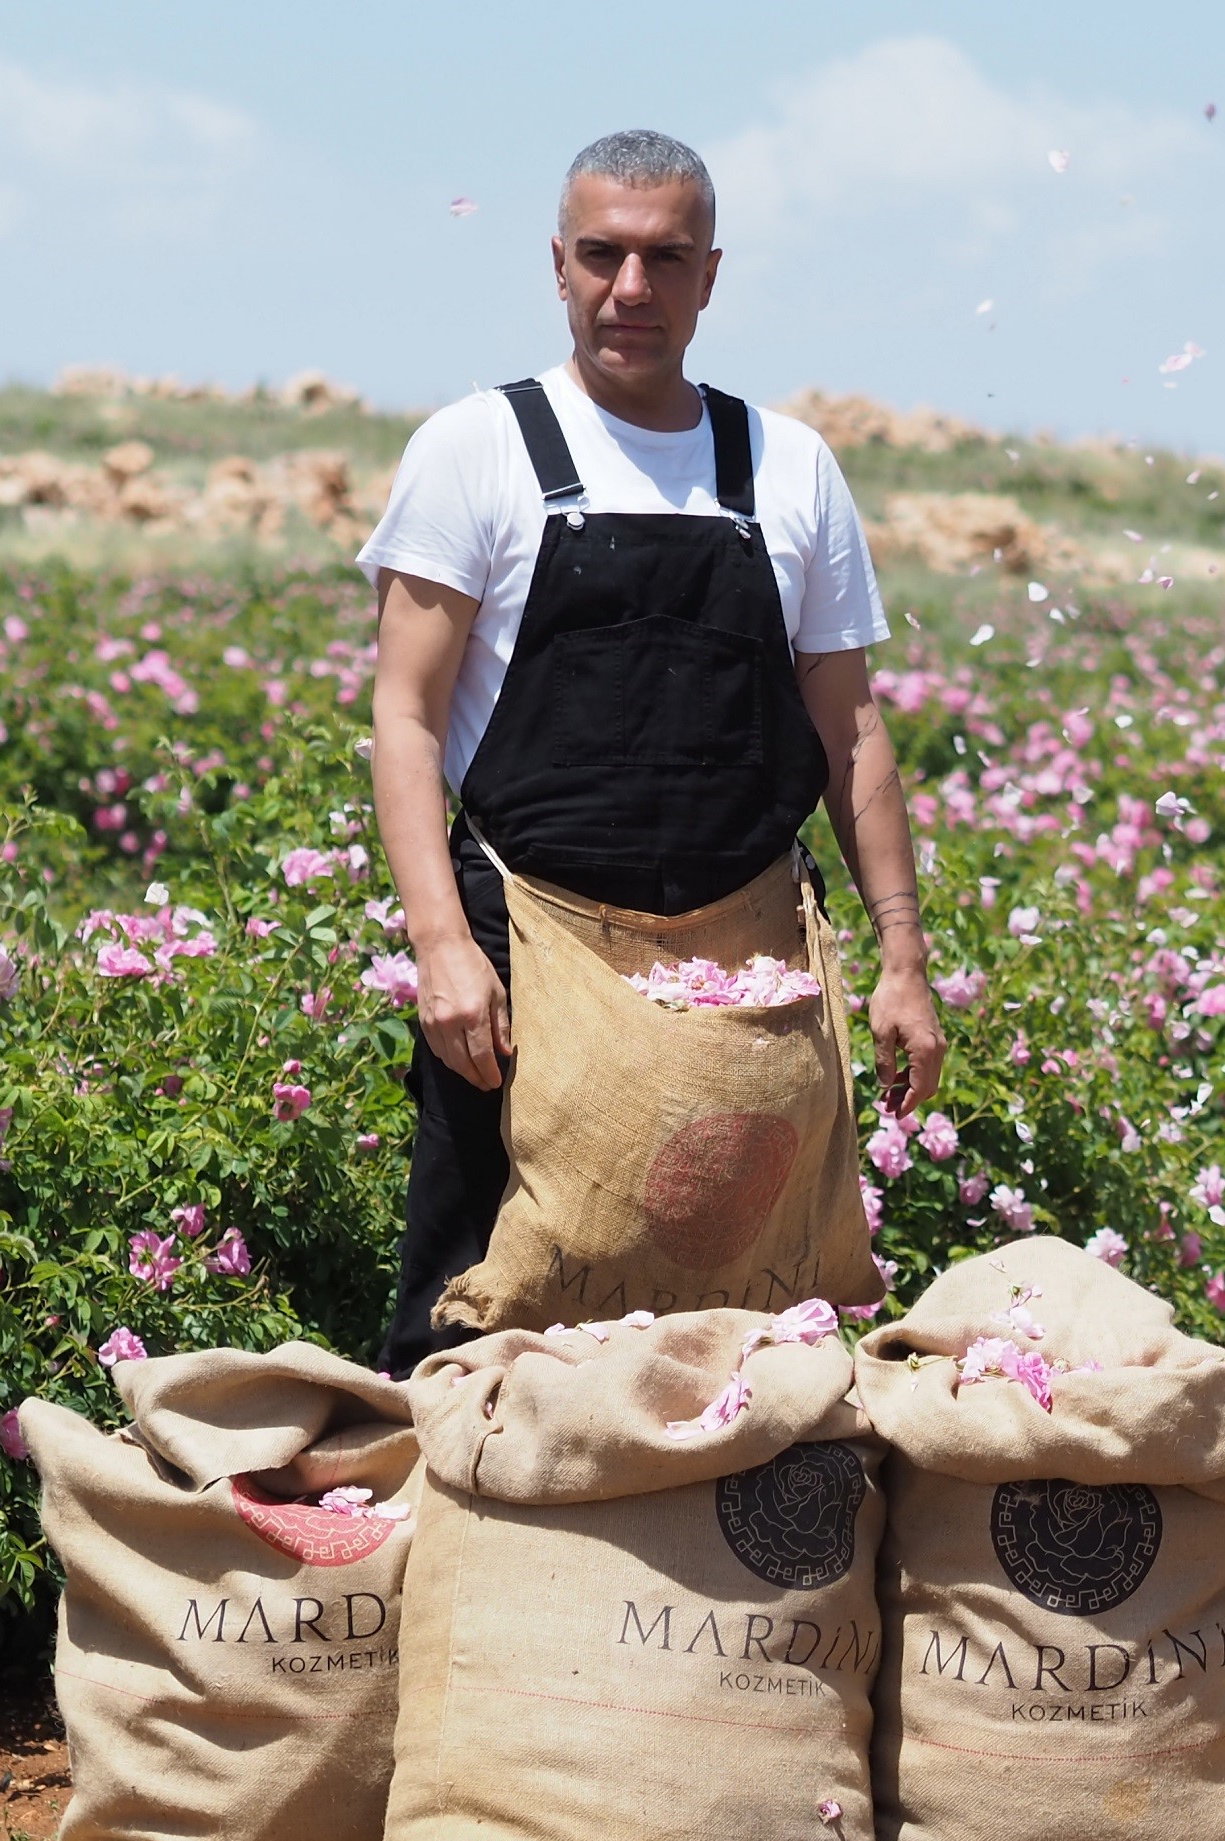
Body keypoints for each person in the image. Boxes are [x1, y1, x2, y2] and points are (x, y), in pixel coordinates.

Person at [358, 127, 946, 1377]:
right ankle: (472, 1547)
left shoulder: (788, 467)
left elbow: (851, 728)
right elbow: (404, 716)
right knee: (472, 1304)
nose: (632, 289)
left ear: (711, 275)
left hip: (748, 959)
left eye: (665, 259)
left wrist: (902, 955)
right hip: (526, 947)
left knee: (749, 1307)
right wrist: (442, 949)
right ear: (557, 266)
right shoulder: (477, 450)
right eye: (603, 256)